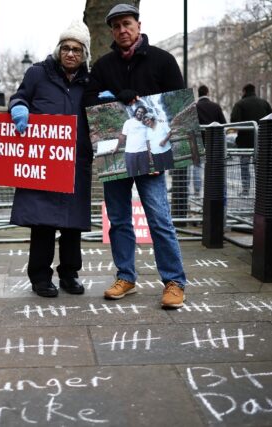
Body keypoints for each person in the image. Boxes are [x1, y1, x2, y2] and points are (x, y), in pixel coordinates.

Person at [84, 4, 187, 309]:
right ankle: (126, 276)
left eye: (126, 24)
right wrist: (117, 97)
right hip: (116, 155)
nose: (122, 31)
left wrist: (162, 155)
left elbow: (176, 107)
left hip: (151, 156)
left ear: (138, 25)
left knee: (159, 219)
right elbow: (90, 101)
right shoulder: (102, 66)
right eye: (116, 27)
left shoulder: (163, 60)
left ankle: (174, 281)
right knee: (118, 220)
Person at [8, 20, 93, 298]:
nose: (71, 54)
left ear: (85, 55)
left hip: (76, 162)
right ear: (58, 50)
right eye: (66, 48)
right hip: (45, 162)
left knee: (72, 224)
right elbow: (19, 97)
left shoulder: (90, 81)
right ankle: (40, 277)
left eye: (77, 50)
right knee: (42, 222)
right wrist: (19, 108)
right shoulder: (37, 74)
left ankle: (69, 274)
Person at [230, 83, 272, 196]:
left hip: (245, 141)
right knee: (259, 166)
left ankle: (246, 190)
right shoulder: (264, 103)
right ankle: (261, 190)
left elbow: (234, 121)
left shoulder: (240, 104)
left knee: (244, 166)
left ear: (244, 91)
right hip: (261, 140)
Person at [195, 85, 226, 195]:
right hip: (214, 140)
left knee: (197, 165)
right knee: (213, 164)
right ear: (207, 93)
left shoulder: (194, 107)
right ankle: (213, 188)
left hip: (199, 140)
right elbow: (223, 123)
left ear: (198, 93)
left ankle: (197, 190)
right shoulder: (216, 106)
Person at [113, 104, 151, 176]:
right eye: (138, 111)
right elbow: (122, 137)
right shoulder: (128, 122)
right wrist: (116, 148)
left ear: (144, 114)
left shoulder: (146, 124)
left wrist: (149, 154)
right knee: (132, 175)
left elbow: (147, 141)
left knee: (146, 174)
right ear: (136, 111)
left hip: (143, 153)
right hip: (130, 153)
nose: (140, 113)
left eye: (142, 112)